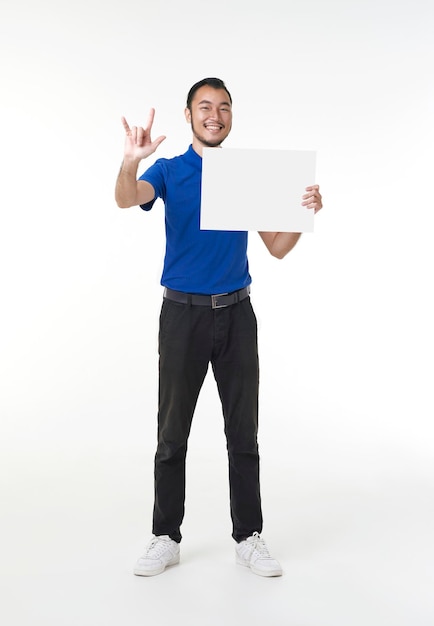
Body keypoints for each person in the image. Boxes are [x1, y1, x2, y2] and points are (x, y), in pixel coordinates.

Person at [115, 77, 322, 578]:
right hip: (181, 315)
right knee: (172, 432)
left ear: (231, 117)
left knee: (243, 433)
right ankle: (165, 536)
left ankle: (248, 536)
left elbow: (276, 247)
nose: (215, 114)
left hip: (236, 314)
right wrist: (131, 159)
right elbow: (126, 198)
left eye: (224, 107)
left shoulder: (243, 175)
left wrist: (302, 211)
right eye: (205, 106)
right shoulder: (169, 170)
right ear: (188, 116)